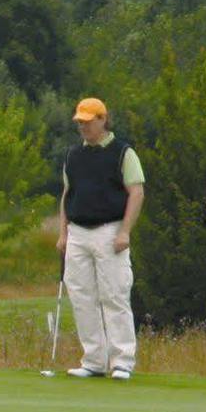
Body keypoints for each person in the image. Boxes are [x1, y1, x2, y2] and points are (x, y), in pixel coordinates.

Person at [57, 96, 145, 379]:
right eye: (79, 122)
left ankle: (122, 361)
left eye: (87, 122)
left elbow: (136, 192)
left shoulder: (122, 152)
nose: (83, 127)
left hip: (110, 230)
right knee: (82, 296)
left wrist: (125, 231)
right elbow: (66, 195)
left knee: (114, 295)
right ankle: (93, 360)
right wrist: (63, 233)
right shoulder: (73, 155)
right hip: (78, 232)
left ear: (103, 120)